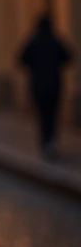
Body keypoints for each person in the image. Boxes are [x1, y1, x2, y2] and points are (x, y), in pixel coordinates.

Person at [19, 13, 73, 160]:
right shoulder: (55, 41)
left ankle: (45, 142)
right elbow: (69, 56)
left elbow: (22, 59)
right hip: (54, 85)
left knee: (43, 115)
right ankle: (51, 142)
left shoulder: (33, 41)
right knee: (52, 114)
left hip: (38, 85)